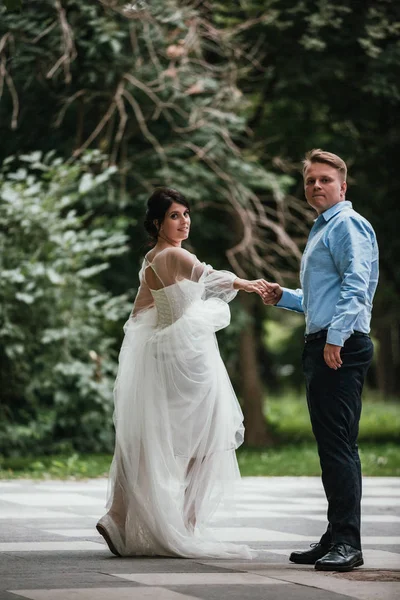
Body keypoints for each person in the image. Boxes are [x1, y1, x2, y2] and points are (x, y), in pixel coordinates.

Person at [96, 187, 268, 558]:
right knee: (211, 437)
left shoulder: (151, 258)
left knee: (147, 435)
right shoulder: (174, 254)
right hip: (189, 359)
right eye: (175, 215)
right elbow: (209, 276)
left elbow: (140, 310)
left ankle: (117, 514)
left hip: (167, 352)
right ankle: (185, 524)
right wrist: (246, 283)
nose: (184, 221)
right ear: (158, 222)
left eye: (187, 214)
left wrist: (151, 343)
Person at [263, 149, 379, 572]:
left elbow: (356, 286)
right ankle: (335, 535)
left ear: (342, 185)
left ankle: (348, 543)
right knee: (332, 447)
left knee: (340, 449)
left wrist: (336, 338)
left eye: (325, 180)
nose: (316, 186)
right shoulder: (322, 228)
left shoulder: (347, 225)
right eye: (311, 180)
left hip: (339, 348)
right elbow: (322, 297)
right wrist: (286, 298)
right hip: (325, 344)